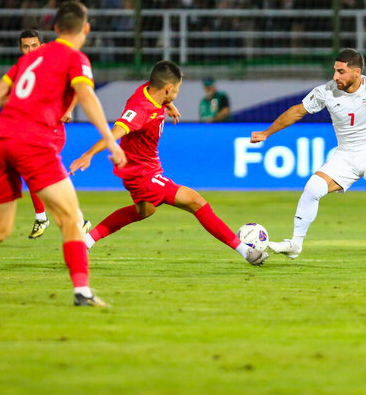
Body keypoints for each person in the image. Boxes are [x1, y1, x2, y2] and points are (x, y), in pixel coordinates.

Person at [0, 1, 126, 307]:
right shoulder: (76, 58)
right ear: (86, 29)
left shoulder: (31, 59)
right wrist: (111, 140)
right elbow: (85, 95)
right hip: (32, 140)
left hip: (1, 139)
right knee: (72, 218)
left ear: (55, 30)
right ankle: (82, 292)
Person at [69, 61, 268, 267]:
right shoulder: (141, 110)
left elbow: (156, 89)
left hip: (145, 167)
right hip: (142, 173)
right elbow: (114, 133)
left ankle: (86, 240)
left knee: (144, 211)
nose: (177, 95)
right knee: (196, 201)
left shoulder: (150, 91)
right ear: (168, 88)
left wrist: (168, 104)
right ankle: (247, 251)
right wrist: (88, 154)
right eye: (177, 91)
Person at [250, 48, 366, 273]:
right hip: (345, 154)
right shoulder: (326, 91)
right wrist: (267, 133)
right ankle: (295, 244)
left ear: (357, 72)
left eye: (341, 72)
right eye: (335, 71)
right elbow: (297, 111)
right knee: (312, 188)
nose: (335, 77)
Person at [15, 29, 89, 239]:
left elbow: (77, 87)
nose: (30, 50)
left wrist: (68, 110)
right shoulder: (24, 70)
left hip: (54, 131)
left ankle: (61, 219)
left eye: (34, 46)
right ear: (21, 49)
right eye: (26, 46)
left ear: (41, 45)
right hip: (36, 130)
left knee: (44, 176)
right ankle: (60, 219)